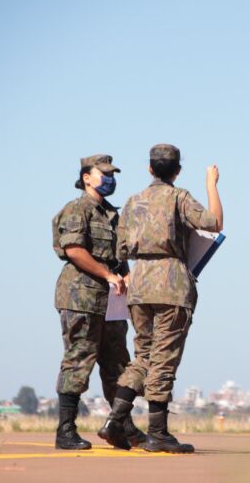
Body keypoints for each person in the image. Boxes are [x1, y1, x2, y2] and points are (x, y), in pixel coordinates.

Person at [98, 144, 223, 453]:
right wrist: (211, 185)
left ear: (150, 168)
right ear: (177, 171)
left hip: (140, 284)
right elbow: (214, 224)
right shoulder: (179, 197)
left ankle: (115, 420)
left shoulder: (132, 202)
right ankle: (158, 434)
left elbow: (120, 250)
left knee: (143, 356)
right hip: (171, 283)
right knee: (164, 359)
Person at [52, 154, 146, 450]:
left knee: (118, 364)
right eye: (103, 174)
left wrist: (126, 276)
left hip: (111, 301)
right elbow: (74, 250)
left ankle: (124, 427)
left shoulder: (112, 215)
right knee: (79, 360)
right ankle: (65, 431)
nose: (110, 179)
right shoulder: (77, 209)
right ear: (86, 177)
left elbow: (120, 257)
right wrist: (107, 274)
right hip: (81, 297)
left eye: (112, 174)